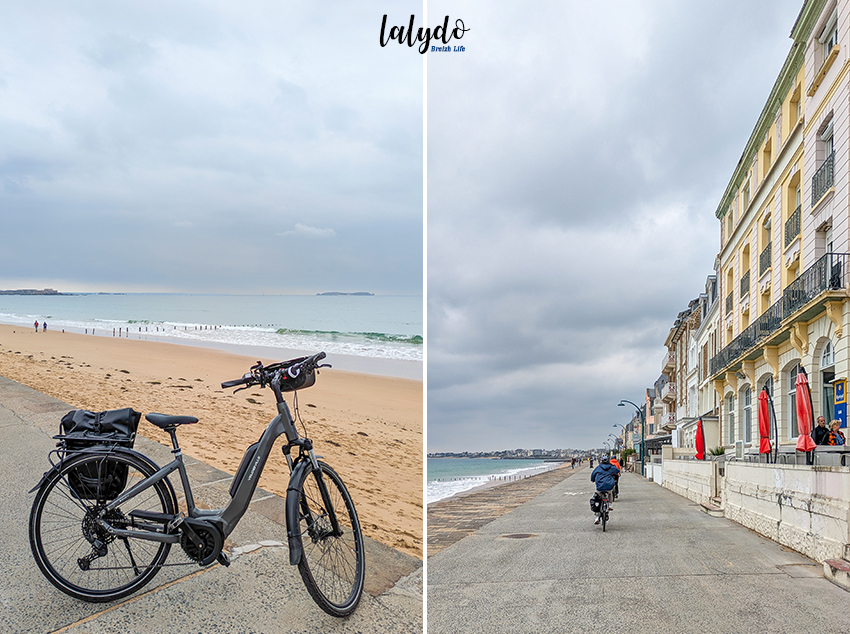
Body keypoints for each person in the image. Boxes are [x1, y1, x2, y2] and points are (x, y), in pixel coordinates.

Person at [590, 455, 620, 524]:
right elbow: (617, 471)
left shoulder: (598, 467)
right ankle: (610, 505)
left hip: (600, 487)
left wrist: (593, 480)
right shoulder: (611, 467)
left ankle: (597, 517)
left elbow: (592, 475)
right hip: (609, 486)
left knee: (598, 498)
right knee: (610, 492)